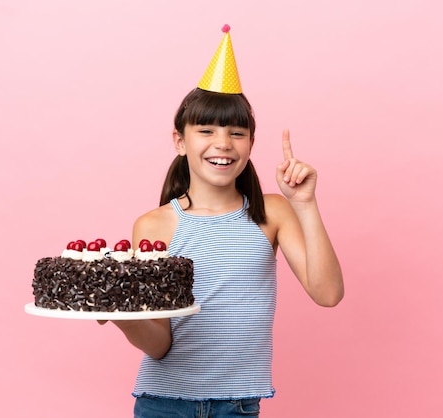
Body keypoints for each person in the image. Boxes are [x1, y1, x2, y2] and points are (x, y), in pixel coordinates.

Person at [101, 26, 344, 417]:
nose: (223, 143)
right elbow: (159, 343)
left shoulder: (272, 212)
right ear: (180, 141)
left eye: (237, 132)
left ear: (250, 143)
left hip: (238, 404)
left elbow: (328, 293)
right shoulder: (153, 226)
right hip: (163, 403)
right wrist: (119, 316)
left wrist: (305, 203)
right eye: (206, 130)